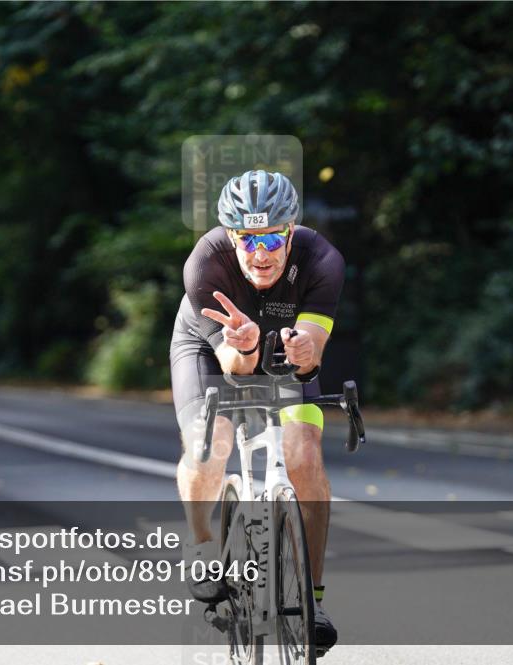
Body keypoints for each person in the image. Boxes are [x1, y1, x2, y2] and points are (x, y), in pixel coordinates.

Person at [171, 170, 345, 651]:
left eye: (272, 237)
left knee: (305, 456)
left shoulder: (322, 261)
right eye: (248, 240)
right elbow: (233, 367)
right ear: (230, 237)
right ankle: (203, 544)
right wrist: (242, 345)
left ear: (291, 230)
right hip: (211, 348)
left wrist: (306, 352)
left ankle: (313, 596)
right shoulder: (205, 263)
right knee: (212, 445)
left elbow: (312, 344)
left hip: (286, 348)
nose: (261, 253)